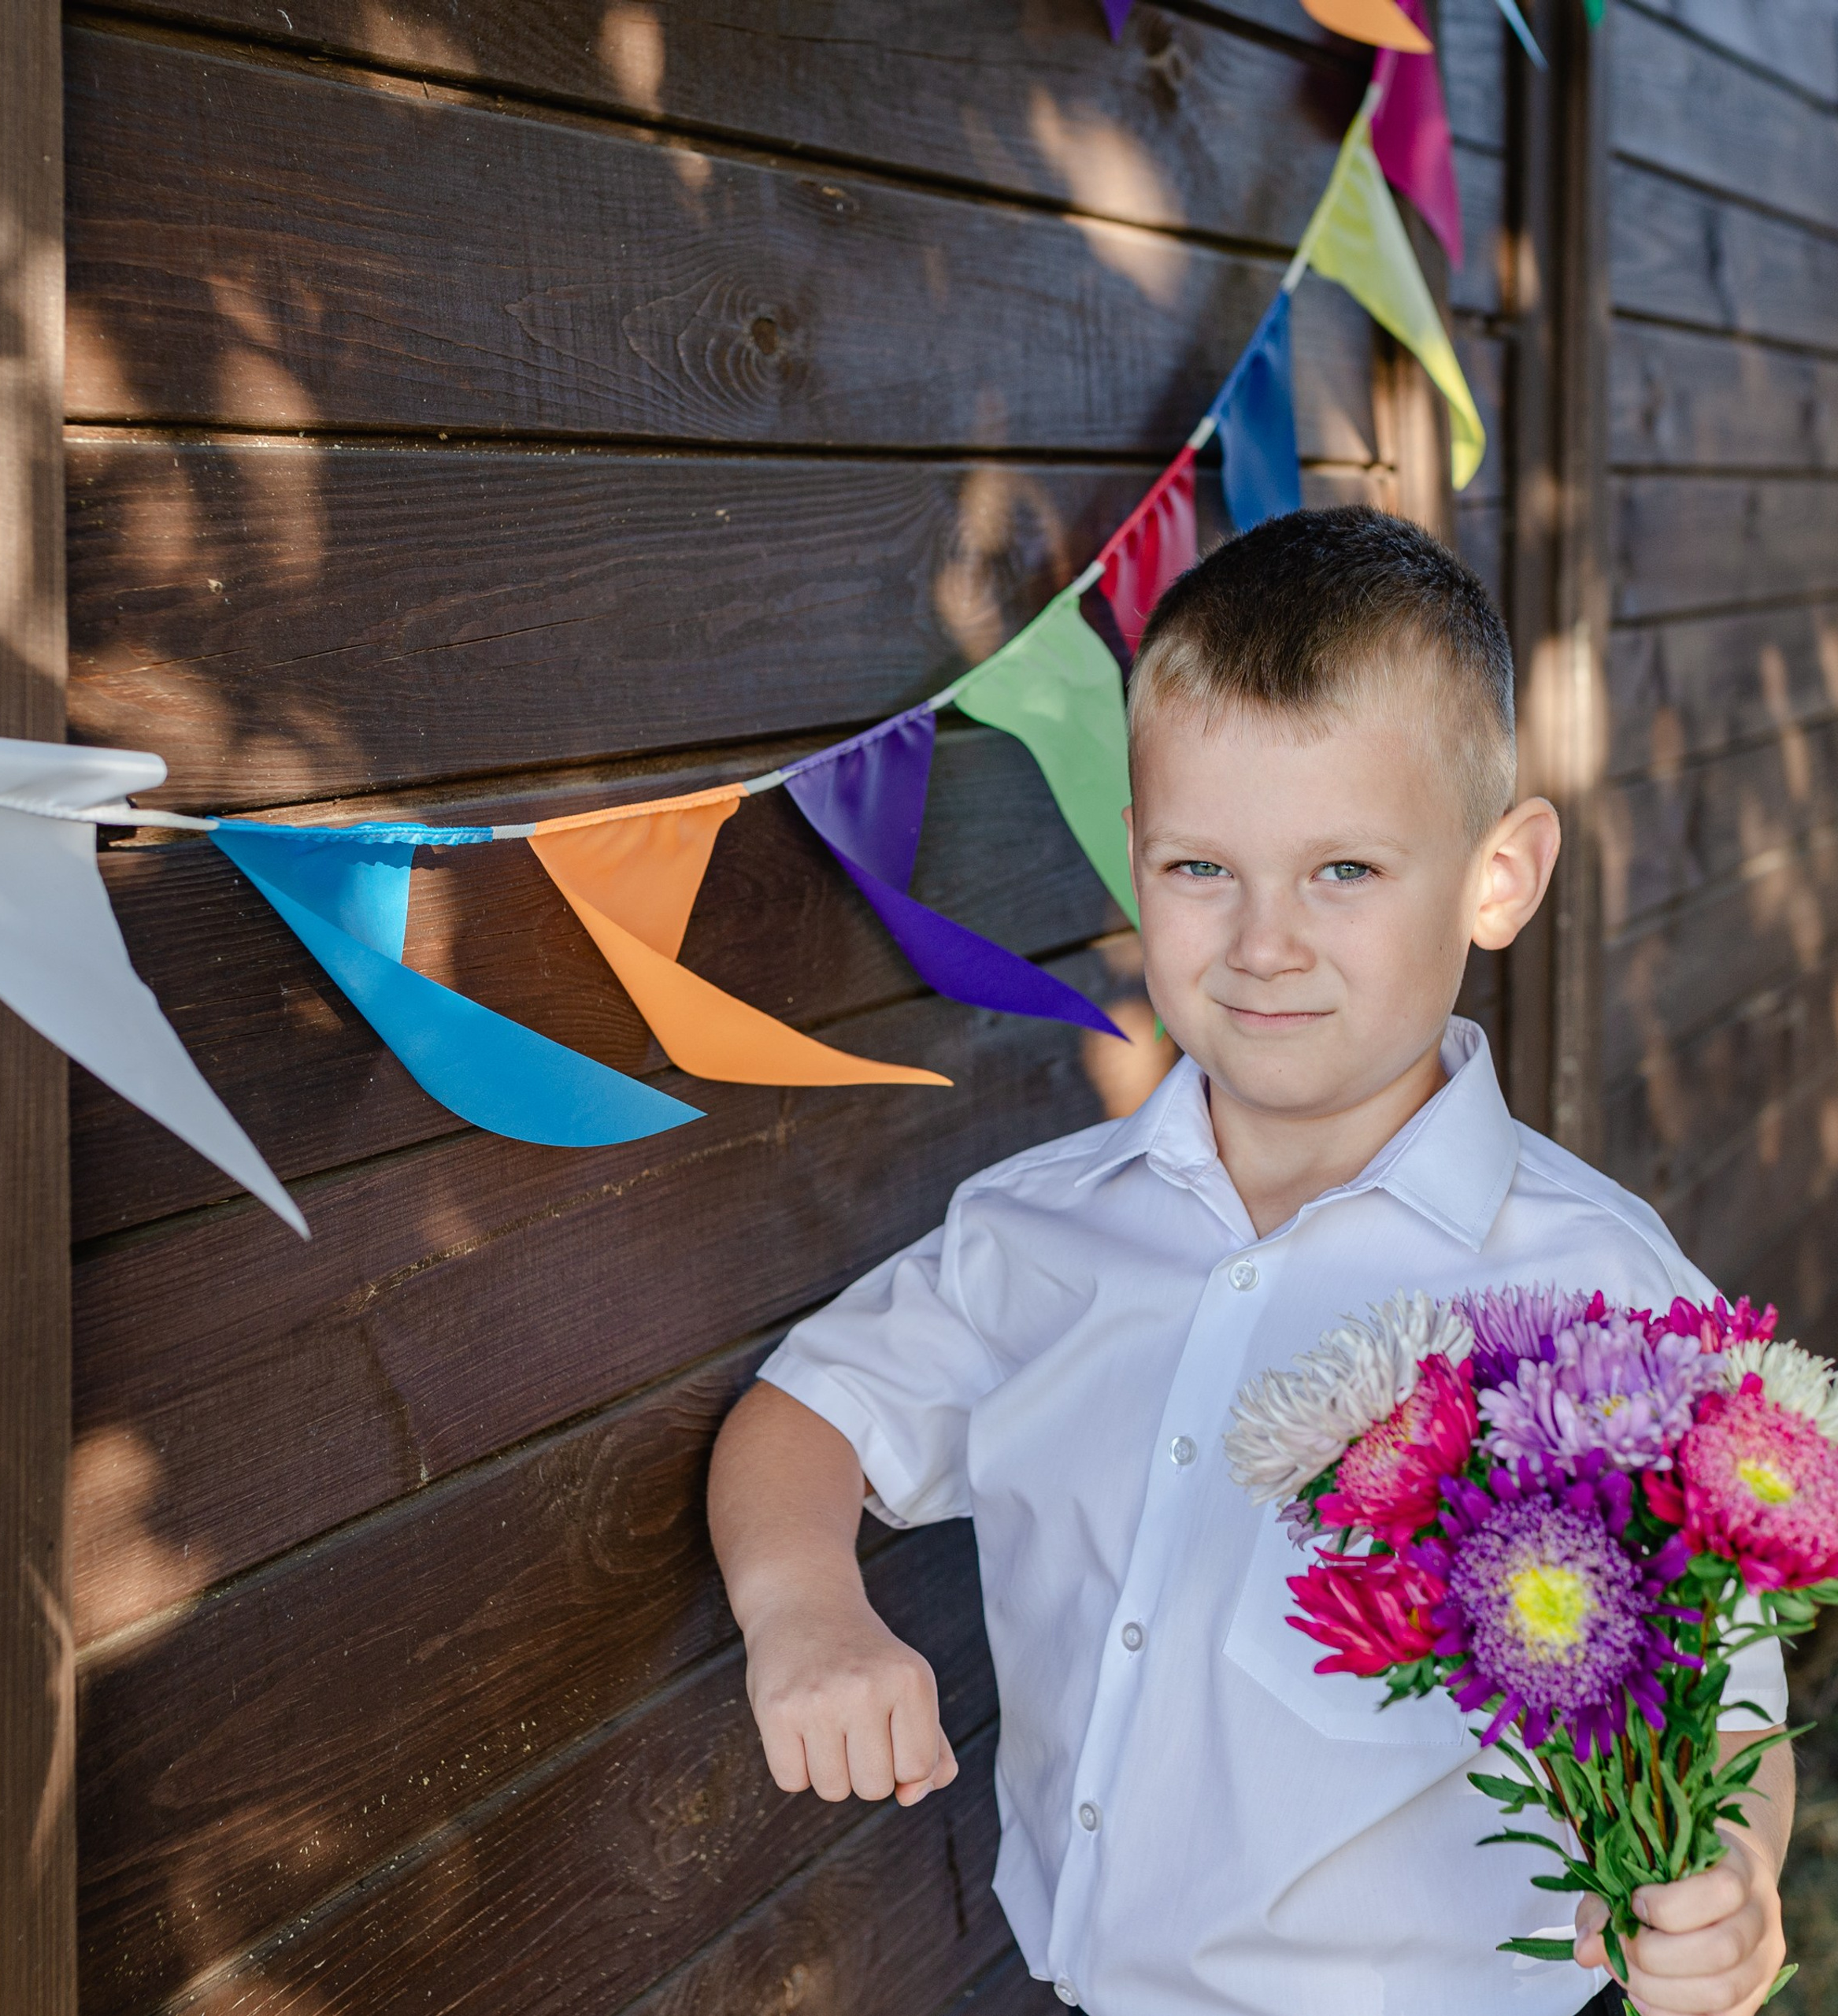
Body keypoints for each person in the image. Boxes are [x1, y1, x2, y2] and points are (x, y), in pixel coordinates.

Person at [706, 507, 1795, 2016]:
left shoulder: (1597, 1300)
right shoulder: (1043, 1231)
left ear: (1499, 876)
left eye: (1345, 869)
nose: (1263, 943)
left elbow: (1723, 1704)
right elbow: (813, 1410)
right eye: (1201, 866)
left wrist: (1730, 1884)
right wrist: (805, 1610)